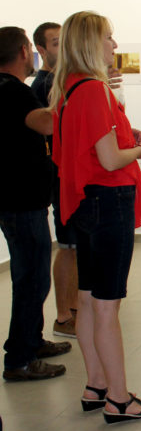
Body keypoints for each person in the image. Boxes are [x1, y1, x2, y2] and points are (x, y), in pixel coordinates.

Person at [51, 11, 141, 423]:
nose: (114, 45)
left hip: (84, 202)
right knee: (108, 306)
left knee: (88, 299)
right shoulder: (94, 89)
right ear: (90, 43)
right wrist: (140, 150)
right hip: (109, 201)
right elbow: (110, 159)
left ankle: (95, 384)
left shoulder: (68, 88)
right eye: (108, 37)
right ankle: (118, 398)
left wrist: (125, 139)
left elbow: (82, 151)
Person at [0, 26, 71, 381]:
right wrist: (68, 95)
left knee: (30, 276)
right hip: (21, 201)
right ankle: (20, 359)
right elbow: (46, 124)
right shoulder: (12, 90)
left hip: (18, 198)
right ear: (25, 51)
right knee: (32, 279)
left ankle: (31, 341)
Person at [31, 21, 79, 339]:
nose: (62, 49)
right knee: (68, 247)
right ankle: (64, 317)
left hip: (67, 176)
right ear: (40, 49)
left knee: (74, 247)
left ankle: (73, 311)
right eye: (55, 43)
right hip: (58, 178)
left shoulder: (60, 81)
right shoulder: (43, 85)